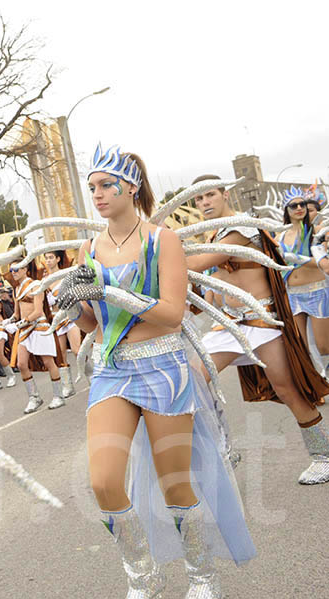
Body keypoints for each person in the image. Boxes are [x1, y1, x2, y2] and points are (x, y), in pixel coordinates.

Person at [56, 145, 255, 597]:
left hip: (164, 367)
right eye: (92, 188)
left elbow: (171, 313)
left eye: (107, 185)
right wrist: (73, 308)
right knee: (103, 481)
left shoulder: (160, 241)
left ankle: (203, 576)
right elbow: (95, 322)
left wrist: (108, 290)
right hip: (112, 370)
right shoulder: (87, 248)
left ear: (132, 186)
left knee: (175, 484)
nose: (99, 195)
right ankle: (143, 576)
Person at [188, 175, 329, 485]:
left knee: (288, 389)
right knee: (195, 379)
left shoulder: (242, 226)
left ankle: (323, 456)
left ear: (224, 194)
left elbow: (204, 262)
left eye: (209, 195)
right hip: (229, 324)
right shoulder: (213, 234)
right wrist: (208, 304)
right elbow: (216, 279)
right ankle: (224, 449)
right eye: (198, 199)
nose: (204, 203)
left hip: (263, 320)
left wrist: (155, 257)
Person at [276, 186, 329, 370]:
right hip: (293, 295)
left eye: (303, 204)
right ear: (286, 210)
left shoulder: (317, 231)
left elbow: (324, 264)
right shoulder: (279, 236)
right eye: (294, 205)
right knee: (301, 347)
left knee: (324, 346)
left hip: (317, 292)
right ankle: (315, 386)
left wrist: (299, 259)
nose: (299, 208)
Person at [10, 260, 65, 413]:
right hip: (25, 330)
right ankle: (34, 397)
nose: (13, 272)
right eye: (11, 270)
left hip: (39, 327)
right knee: (21, 364)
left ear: (25, 269)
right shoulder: (17, 289)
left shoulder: (35, 285)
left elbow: (38, 311)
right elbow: (16, 313)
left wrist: (22, 323)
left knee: (48, 362)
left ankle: (58, 396)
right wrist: (8, 322)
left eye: (16, 269)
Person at [44, 250, 82, 395]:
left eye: (51, 257)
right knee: (60, 354)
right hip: (56, 319)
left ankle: (92, 375)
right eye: (46, 258)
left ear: (58, 259)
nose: (48, 261)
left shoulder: (65, 275)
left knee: (77, 349)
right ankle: (68, 386)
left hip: (69, 316)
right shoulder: (45, 280)